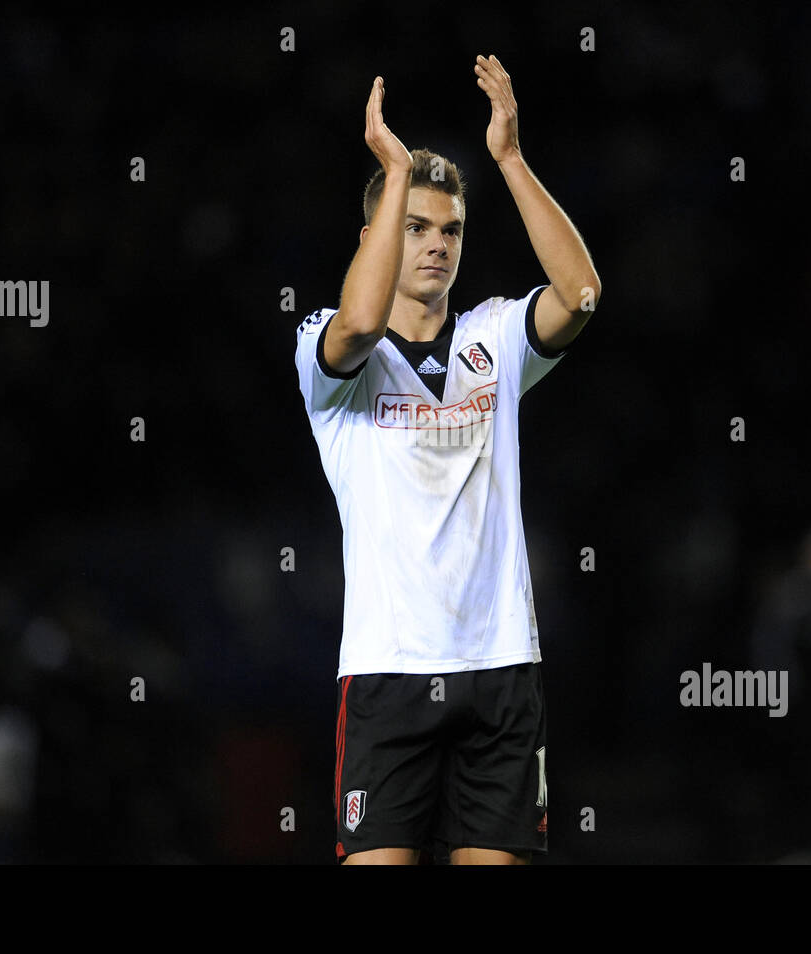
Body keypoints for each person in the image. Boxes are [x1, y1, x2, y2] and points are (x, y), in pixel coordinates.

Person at [294, 55, 601, 864]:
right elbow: (361, 323)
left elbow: (581, 296)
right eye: (415, 227)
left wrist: (509, 159)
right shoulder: (326, 352)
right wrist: (393, 167)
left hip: (500, 668)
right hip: (389, 670)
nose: (435, 246)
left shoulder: (494, 338)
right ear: (377, 236)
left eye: (451, 231)